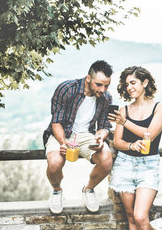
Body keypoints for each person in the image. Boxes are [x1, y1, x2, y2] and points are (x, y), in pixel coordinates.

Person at [109, 66, 162, 230]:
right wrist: (129, 146)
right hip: (125, 164)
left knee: (142, 215)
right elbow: (118, 142)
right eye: (126, 84)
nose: (129, 87)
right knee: (131, 216)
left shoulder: (160, 108)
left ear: (144, 83)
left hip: (148, 166)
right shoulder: (123, 110)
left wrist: (125, 124)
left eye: (133, 82)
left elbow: (149, 134)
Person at [44, 60, 114, 214]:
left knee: (107, 159)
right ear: (88, 78)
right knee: (55, 163)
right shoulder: (66, 89)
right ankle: (57, 191)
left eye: (107, 85)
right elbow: (56, 122)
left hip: (86, 135)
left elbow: (104, 126)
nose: (103, 89)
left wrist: (101, 138)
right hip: (62, 132)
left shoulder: (106, 98)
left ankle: (88, 190)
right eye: (99, 84)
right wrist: (63, 143)